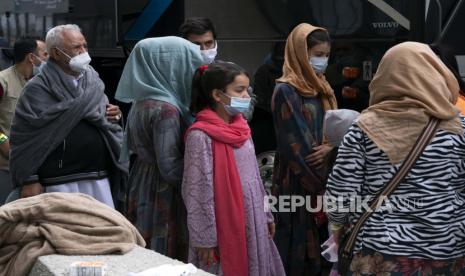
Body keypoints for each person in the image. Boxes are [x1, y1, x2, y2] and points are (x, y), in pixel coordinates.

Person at [325, 42, 465, 275]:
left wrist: (337, 224)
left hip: (380, 250)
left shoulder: (363, 128)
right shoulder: (458, 127)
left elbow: (342, 192)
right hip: (446, 248)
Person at [182, 62, 285, 276]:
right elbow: (197, 190)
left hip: (252, 216)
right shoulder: (200, 136)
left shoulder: (242, 128)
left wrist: (267, 215)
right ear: (217, 95)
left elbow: (255, 177)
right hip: (222, 224)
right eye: (239, 90)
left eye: (247, 90)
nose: (247, 96)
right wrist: (205, 238)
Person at [8, 24, 126, 209]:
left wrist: (115, 115)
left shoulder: (93, 80)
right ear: (55, 53)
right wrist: (30, 179)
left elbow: (102, 116)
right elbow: (24, 136)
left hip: (98, 177)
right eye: (76, 47)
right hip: (58, 182)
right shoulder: (37, 88)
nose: (83, 52)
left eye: (85, 46)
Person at [114, 36, 203, 259]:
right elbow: (170, 167)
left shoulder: (143, 100)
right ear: (172, 65)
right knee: (165, 251)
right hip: (163, 191)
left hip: (143, 181)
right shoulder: (166, 110)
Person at [271, 23, 337, 275]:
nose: (322, 61)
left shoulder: (321, 85)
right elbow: (296, 145)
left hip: (323, 176)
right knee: (299, 245)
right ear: (300, 53)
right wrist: (320, 186)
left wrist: (331, 149)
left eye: (326, 55)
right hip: (299, 179)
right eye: (317, 55)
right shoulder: (286, 89)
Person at [0, 37, 48, 204]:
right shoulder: (3, 81)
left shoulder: (44, 83)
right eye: (45, 54)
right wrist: (3, 142)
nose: (48, 59)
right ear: (31, 58)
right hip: (6, 166)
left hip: (38, 167)